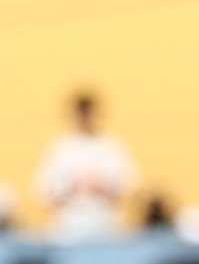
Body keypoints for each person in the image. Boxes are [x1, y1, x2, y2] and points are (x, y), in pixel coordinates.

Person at [33, 91, 137, 241]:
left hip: (105, 221)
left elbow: (131, 185)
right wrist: (72, 187)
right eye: (82, 112)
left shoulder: (111, 146)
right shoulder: (60, 148)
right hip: (69, 223)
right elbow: (42, 190)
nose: (85, 117)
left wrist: (103, 187)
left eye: (89, 112)